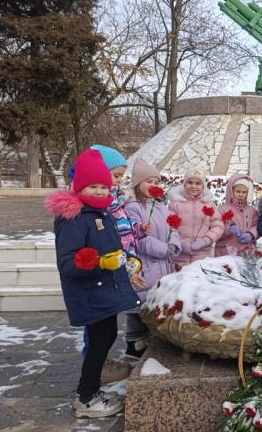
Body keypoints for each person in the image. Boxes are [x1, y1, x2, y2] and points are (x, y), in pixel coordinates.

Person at [44, 148, 140, 418]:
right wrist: (100, 263)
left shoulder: (100, 213)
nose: (99, 191)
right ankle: (85, 397)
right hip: (90, 292)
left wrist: (126, 261)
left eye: (103, 186)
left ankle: (92, 389)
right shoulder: (75, 217)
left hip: (104, 290)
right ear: (79, 187)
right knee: (99, 341)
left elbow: (110, 248)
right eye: (92, 186)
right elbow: (68, 262)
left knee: (106, 337)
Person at [89, 145, 147, 384]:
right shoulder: (100, 205)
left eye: (121, 176)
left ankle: (101, 361)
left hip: (121, 264)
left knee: (109, 325)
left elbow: (124, 231)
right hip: (104, 268)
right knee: (98, 327)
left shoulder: (116, 201)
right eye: (115, 175)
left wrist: (138, 231)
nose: (118, 181)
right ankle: (94, 367)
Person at [124, 158, 182, 359]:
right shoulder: (132, 208)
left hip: (164, 267)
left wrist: (173, 245)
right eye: (148, 181)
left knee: (154, 309)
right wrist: (164, 249)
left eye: (156, 182)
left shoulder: (159, 206)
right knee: (139, 312)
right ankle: (134, 348)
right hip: (146, 267)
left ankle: (152, 346)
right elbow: (137, 239)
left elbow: (173, 227)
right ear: (137, 184)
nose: (153, 186)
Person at [167, 168, 224, 269]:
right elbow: (168, 228)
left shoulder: (209, 205)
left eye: (198, 183)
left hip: (202, 256)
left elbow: (218, 225)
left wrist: (206, 240)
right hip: (179, 257)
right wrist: (180, 244)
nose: (193, 186)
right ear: (184, 184)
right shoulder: (175, 205)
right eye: (190, 182)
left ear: (203, 186)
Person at [216, 173, 259, 256]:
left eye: (244, 192)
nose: (240, 194)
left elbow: (257, 226)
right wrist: (228, 229)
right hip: (225, 251)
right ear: (231, 191)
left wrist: (251, 234)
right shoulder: (222, 209)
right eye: (238, 191)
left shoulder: (252, 211)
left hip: (246, 251)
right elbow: (216, 228)